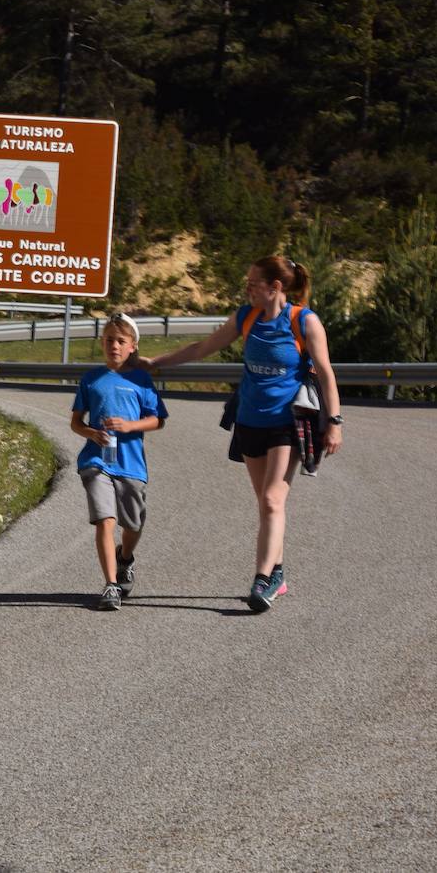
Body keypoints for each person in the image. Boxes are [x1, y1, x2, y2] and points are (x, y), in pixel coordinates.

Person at [139, 255, 343, 612]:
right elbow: (202, 348)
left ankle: (262, 581)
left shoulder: (303, 321)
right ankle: (277, 573)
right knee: (265, 504)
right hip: (249, 420)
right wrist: (157, 363)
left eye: (252, 283)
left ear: (274, 287)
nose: (247, 288)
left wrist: (335, 422)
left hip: (288, 422)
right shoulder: (245, 317)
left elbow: (325, 373)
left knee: (272, 501)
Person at [69, 313, 167, 610]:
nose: (114, 345)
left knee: (133, 523)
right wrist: (90, 432)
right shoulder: (91, 379)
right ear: (102, 342)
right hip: (96, 461)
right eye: (109, 340)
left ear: (132, 346)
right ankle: (111, 585)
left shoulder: (140, 380)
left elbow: (157, 420)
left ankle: (125, 558)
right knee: (105, 520)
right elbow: (75, 422)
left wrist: (129, 426)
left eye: (120, 341)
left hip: (131, 463)